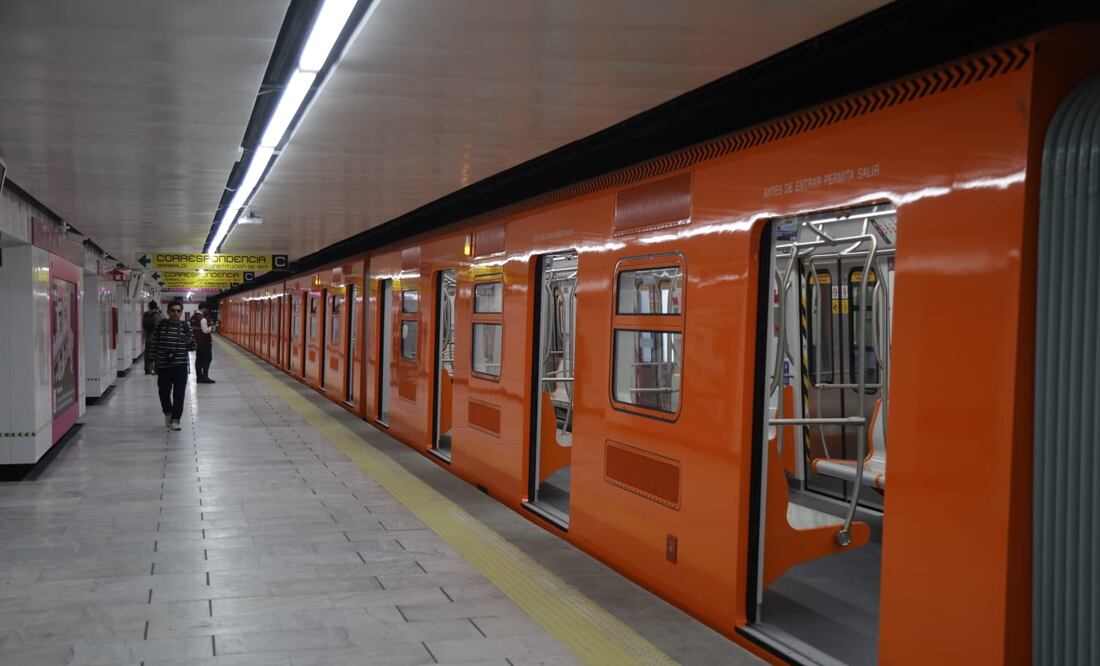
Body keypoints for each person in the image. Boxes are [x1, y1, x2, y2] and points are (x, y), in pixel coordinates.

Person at [151, 302, 194, 430]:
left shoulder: (186, 327)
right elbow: (154, 344)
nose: (176, 313)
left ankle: (176, 419)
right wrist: (151, 361)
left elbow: (193, 347)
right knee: (163, 392)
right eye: (173, 310)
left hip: (181, 365)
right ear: (168, 312)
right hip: (164, 366)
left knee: (179, 394)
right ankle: (168, 412)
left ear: (181, 312)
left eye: (178, 311)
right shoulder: (160, 326)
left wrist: (190, 342)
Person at [190, 303, 218, 384]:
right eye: (207, 309)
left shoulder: (193, 317)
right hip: (205, 342)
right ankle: (205, 377)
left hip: (197, 342)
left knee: (199, 360)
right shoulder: (202, 319)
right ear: (204, 308)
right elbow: (205, 330)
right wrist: (212, 327)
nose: (207, 311)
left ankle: (199, 377)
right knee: (207, 359)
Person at [142, 301, 164, 375]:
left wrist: (146, 336)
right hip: (156, 337)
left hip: (148, 337)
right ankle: (157, 369)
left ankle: (147, 369)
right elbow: (160, 325)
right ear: (156, 306)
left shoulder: (146, 314)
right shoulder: (158, 314)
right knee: (157, 353)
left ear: (149, 306)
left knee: (147, 353)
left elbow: (144, 326)